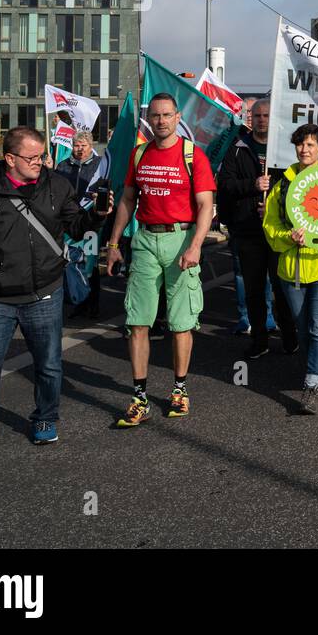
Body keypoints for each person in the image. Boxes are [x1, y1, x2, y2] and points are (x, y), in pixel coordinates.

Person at [0, 127, 111, 462]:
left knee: (48, 365)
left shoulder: (57, 185)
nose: (39, 163)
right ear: (10, 158)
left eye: (41, 156)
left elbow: (76, 226)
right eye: (31, 158)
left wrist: (97, 216)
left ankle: (45, 417)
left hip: (45, 293)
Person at [104, 93, 217, 427]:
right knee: (137, 321)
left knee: (182, 322)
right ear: (148, 118)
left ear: (177, 116)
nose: (161, 121)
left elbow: (205, 207)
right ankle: (139, 397)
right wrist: (113, 242)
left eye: (167, 115)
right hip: (145, 241)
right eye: (155, 116)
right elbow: (127, 200)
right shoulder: (139, 154)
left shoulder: (192, 155)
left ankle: (179, 389)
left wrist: (195, 246)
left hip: (180, 239)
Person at [262, 124, 318, 414]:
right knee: (303, 329)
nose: (305, 149)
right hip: (291, 269)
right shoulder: (282, 183)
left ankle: (313, 381)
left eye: (310, 145)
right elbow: (270, 224)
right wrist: (288, 237)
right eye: (300, 145)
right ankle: (317, 368)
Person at [218, 98, 294, 357]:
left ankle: (289, 337)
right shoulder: (239, 147)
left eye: (266, 115)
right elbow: (225, 184)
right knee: (253, 289)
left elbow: (295, 188)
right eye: (257, 115)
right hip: (248, 230)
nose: (262, 120)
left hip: (278, 232)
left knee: (282, 287)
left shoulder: (285, 150)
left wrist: (273, 207)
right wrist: (252, 185)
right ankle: (259, 339)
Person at [54, 131, 111, 320]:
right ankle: (77, 300)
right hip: (68, 224)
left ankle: (92, 303)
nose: (79, 149)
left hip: (90, 224)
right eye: (76, 145)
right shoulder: (63, 166)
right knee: (69, 261)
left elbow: (105, 188)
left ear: (91, 146)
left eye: (83, 146)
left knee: (89, 264)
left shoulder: (99, 166)